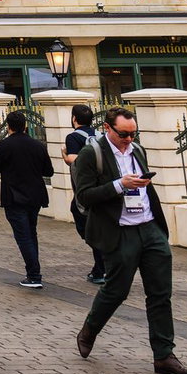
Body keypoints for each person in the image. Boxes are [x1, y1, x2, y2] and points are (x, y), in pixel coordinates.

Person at [73, 105, 187, 374]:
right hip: (119, 232)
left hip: (149, 227)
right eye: (123, 134)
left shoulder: (138, 150)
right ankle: (89, 330)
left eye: (133, 133)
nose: (129, 139)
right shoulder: (90, 154)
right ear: (107, 128)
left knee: (160, 294)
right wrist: (120, 184)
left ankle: (164, 355)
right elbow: (84, 196)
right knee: (116, 291)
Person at [0, 109, 54, 288]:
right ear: (26, 126)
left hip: (14, 196)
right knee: (31, 233)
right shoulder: (37, 145)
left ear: (8, 126)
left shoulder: (4, 146)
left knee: (23, 236)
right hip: (35, 196)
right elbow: (49, 171)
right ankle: (33, 272)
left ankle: (34, 275)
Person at [63, 103, 106, 285]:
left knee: (87, 227)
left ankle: (102, 267)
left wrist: (66, 157)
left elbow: (74, 159)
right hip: (102, 187)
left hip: (84, 190)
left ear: (74, 119)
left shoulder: (73, 137)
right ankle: (99, 268)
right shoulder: (100, 136)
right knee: (97, 227)